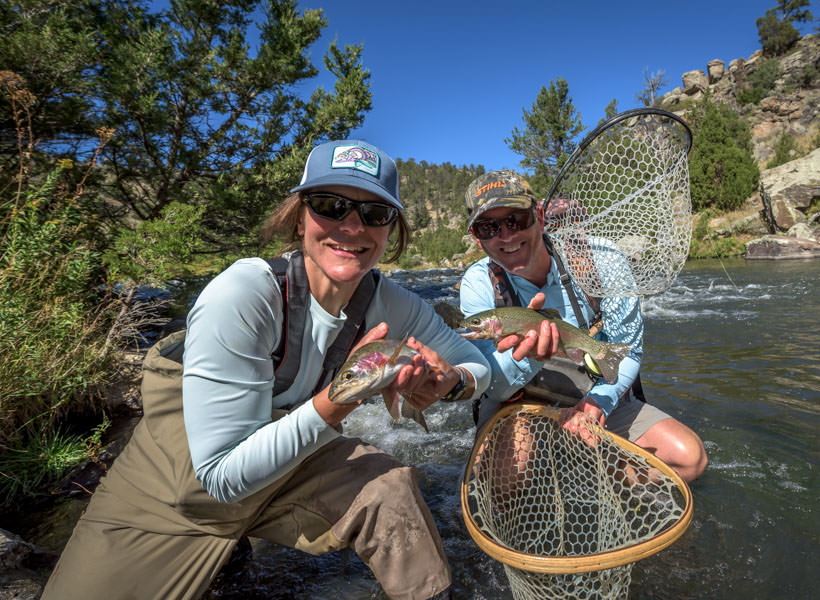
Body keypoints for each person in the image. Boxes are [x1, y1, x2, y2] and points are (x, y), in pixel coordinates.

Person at [43, 140, 490, 600]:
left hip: (285, 465)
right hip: (179, 493)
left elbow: (478, 364)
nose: (352, 226)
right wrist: (338, 403)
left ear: (390, 229)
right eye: (330, 206)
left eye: (375, 213)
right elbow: (219, 476)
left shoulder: (390, 301)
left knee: (391, 490)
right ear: (299, 217)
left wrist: (453, 382)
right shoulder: (243, 293)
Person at [458, 169, 706, 483]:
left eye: (516, 220)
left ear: (539, 217)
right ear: (476, 237)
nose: (505, 236)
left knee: (688, 459)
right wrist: (530, 356)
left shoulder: (601, 259)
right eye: (488, 227)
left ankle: (589, 470)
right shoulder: (478, 285)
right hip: (517, 402)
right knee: (507, 476)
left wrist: (598, 402)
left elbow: (625, 351)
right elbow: (494, 385)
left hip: (590, 389)